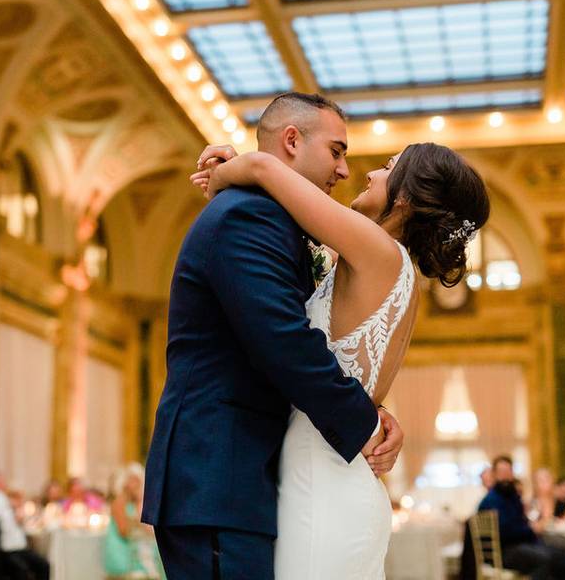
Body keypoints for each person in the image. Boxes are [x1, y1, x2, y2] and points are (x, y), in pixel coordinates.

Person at [183, 94, 492, 577]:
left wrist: (226, 173)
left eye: (388, 167)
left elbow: (265, 169)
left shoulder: (376, 250)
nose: (365, 173)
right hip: (340, 478)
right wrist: (376, 416)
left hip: (321, 484)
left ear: (407, 198)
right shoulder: (389, 267)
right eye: (341, 153)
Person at [143, 92, 411, 580]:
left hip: (243, 479)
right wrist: (365, 423)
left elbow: (313, 337)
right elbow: (285, 343)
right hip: (219, 477)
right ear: (291, 140)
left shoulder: (272, 218)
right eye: (337, 150)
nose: (345, 170)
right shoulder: (249, 216)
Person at [479, 455, 565, 580]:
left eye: (508, 471)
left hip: (522, 546)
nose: (505, 475)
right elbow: (506, 532)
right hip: (504, 552)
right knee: (544, 560)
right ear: (494, 474)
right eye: (501, 472)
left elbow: (522, 522)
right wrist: (530, 530)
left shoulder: (512, 497)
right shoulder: (491, 501)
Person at [0, 471, 49, 580]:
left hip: (15, 548)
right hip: (6, 550)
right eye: (2, 480)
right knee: (31, 568)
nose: (5, 483)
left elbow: (10, 519)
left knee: (42, 564)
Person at [104, 463, 162, 579]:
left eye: (138, 481)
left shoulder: (136, 502)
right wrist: (137, 523)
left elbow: (149, 530)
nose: (135, 485)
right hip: (122, 548)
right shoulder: (119, 502)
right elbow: (124, 531)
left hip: (137, 544)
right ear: (125, 482)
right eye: (132, 480)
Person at [529, 467, 557, 533]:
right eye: (541, 480)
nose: (545, 483)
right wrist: (546, 520)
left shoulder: (556, 499)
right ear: (535, 483)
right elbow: (533, 527)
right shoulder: (534, 503)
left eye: (547, 479)